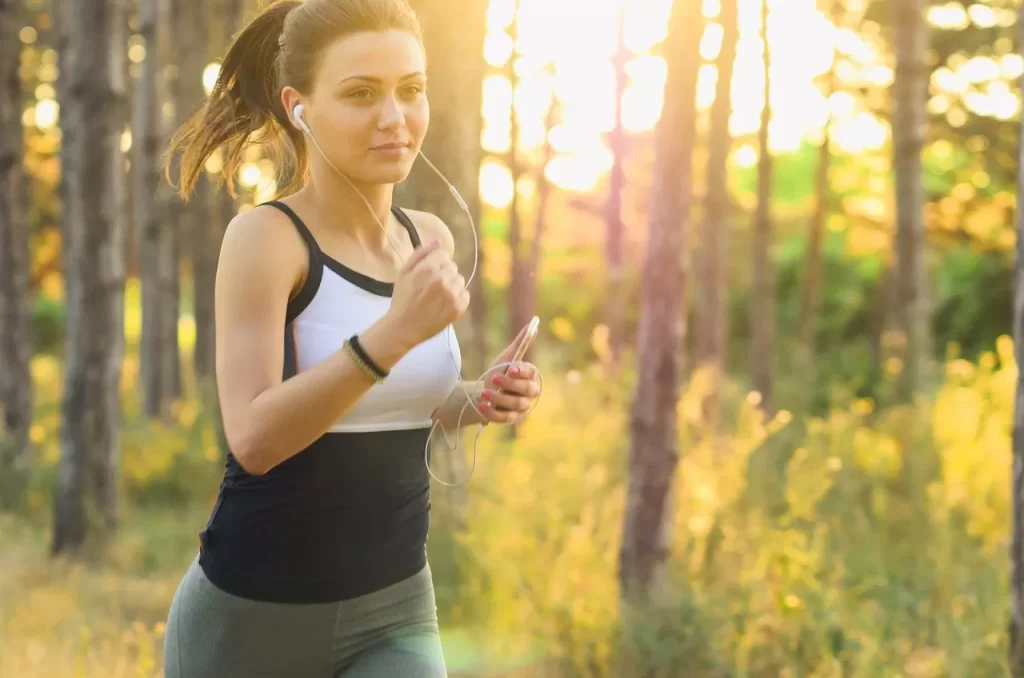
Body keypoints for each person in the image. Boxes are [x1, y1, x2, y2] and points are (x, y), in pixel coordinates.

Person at [159, 0, 542, 676]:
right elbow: (254, 438)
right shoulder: (268, 240)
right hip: (252, 618)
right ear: (298, 106)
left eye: (411, 90)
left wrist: (477, 398)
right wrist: (392, 334)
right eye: (361, 94)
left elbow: (394, 401)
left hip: (395, 609)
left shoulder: (430, 237)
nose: (394, 118)